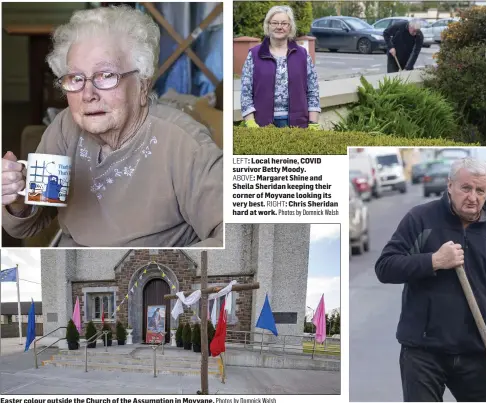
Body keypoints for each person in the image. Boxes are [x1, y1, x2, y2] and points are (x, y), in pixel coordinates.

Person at [1, 6, 223, 247]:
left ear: (142, 85)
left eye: (105, 76)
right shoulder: (66, 128)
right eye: (76, 78)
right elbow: (30, 223)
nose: (87, 94)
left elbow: (231, 238)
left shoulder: (184, 145)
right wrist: (18, 198)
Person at [375, 157, 486, 402]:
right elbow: (385, 267)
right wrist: (434, 261)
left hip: (476, 352)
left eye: (480, 190)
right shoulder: (421, 219)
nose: (473, 197)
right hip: (422, 353)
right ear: (450, 185)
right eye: (466, 188)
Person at [240, 5, 321, 129]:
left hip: (298, 123)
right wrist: (250, 122)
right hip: (262, 123)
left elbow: (313, 91)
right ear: (268, 25)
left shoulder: (302, 55)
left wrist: (313, 123)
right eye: (274, 23)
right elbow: (246, 92)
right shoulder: (254, 55)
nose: (279, 27)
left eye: (284, 23)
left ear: (290, 27)